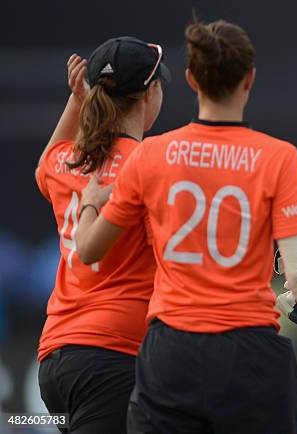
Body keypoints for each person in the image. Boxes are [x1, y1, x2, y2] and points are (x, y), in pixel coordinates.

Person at [74, 18, 297, 434]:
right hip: (250, 354)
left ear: (191, 79)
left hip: (170, 354)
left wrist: (87, 205)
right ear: (250, 78)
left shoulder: (151, 155)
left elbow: (88, 251)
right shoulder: (277, 157)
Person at [35, 36, 168, 433]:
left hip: (56, 361)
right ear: (150, 93)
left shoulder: (67, 161)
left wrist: (76, 101)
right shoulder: (153, 165)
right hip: (113, 358)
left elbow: (46, 163)